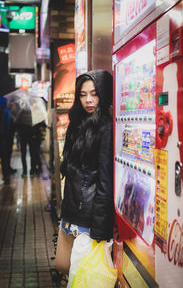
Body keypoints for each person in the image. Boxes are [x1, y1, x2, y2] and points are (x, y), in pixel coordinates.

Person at [55, 69, 114, 276]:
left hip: (89, 222)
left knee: (82, 277)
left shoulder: (106, 129)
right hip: (71, 216)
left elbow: (105, 182)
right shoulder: (77, 124)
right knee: (66, 268)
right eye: (83, 94)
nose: (88, 100)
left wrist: (99, 229)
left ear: (103, 94)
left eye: (94, 93)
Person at [0, 97, 11, 184]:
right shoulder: (5, 112)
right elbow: (7, 126)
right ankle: (6, 176)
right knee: (4, 158)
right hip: (2, 138)